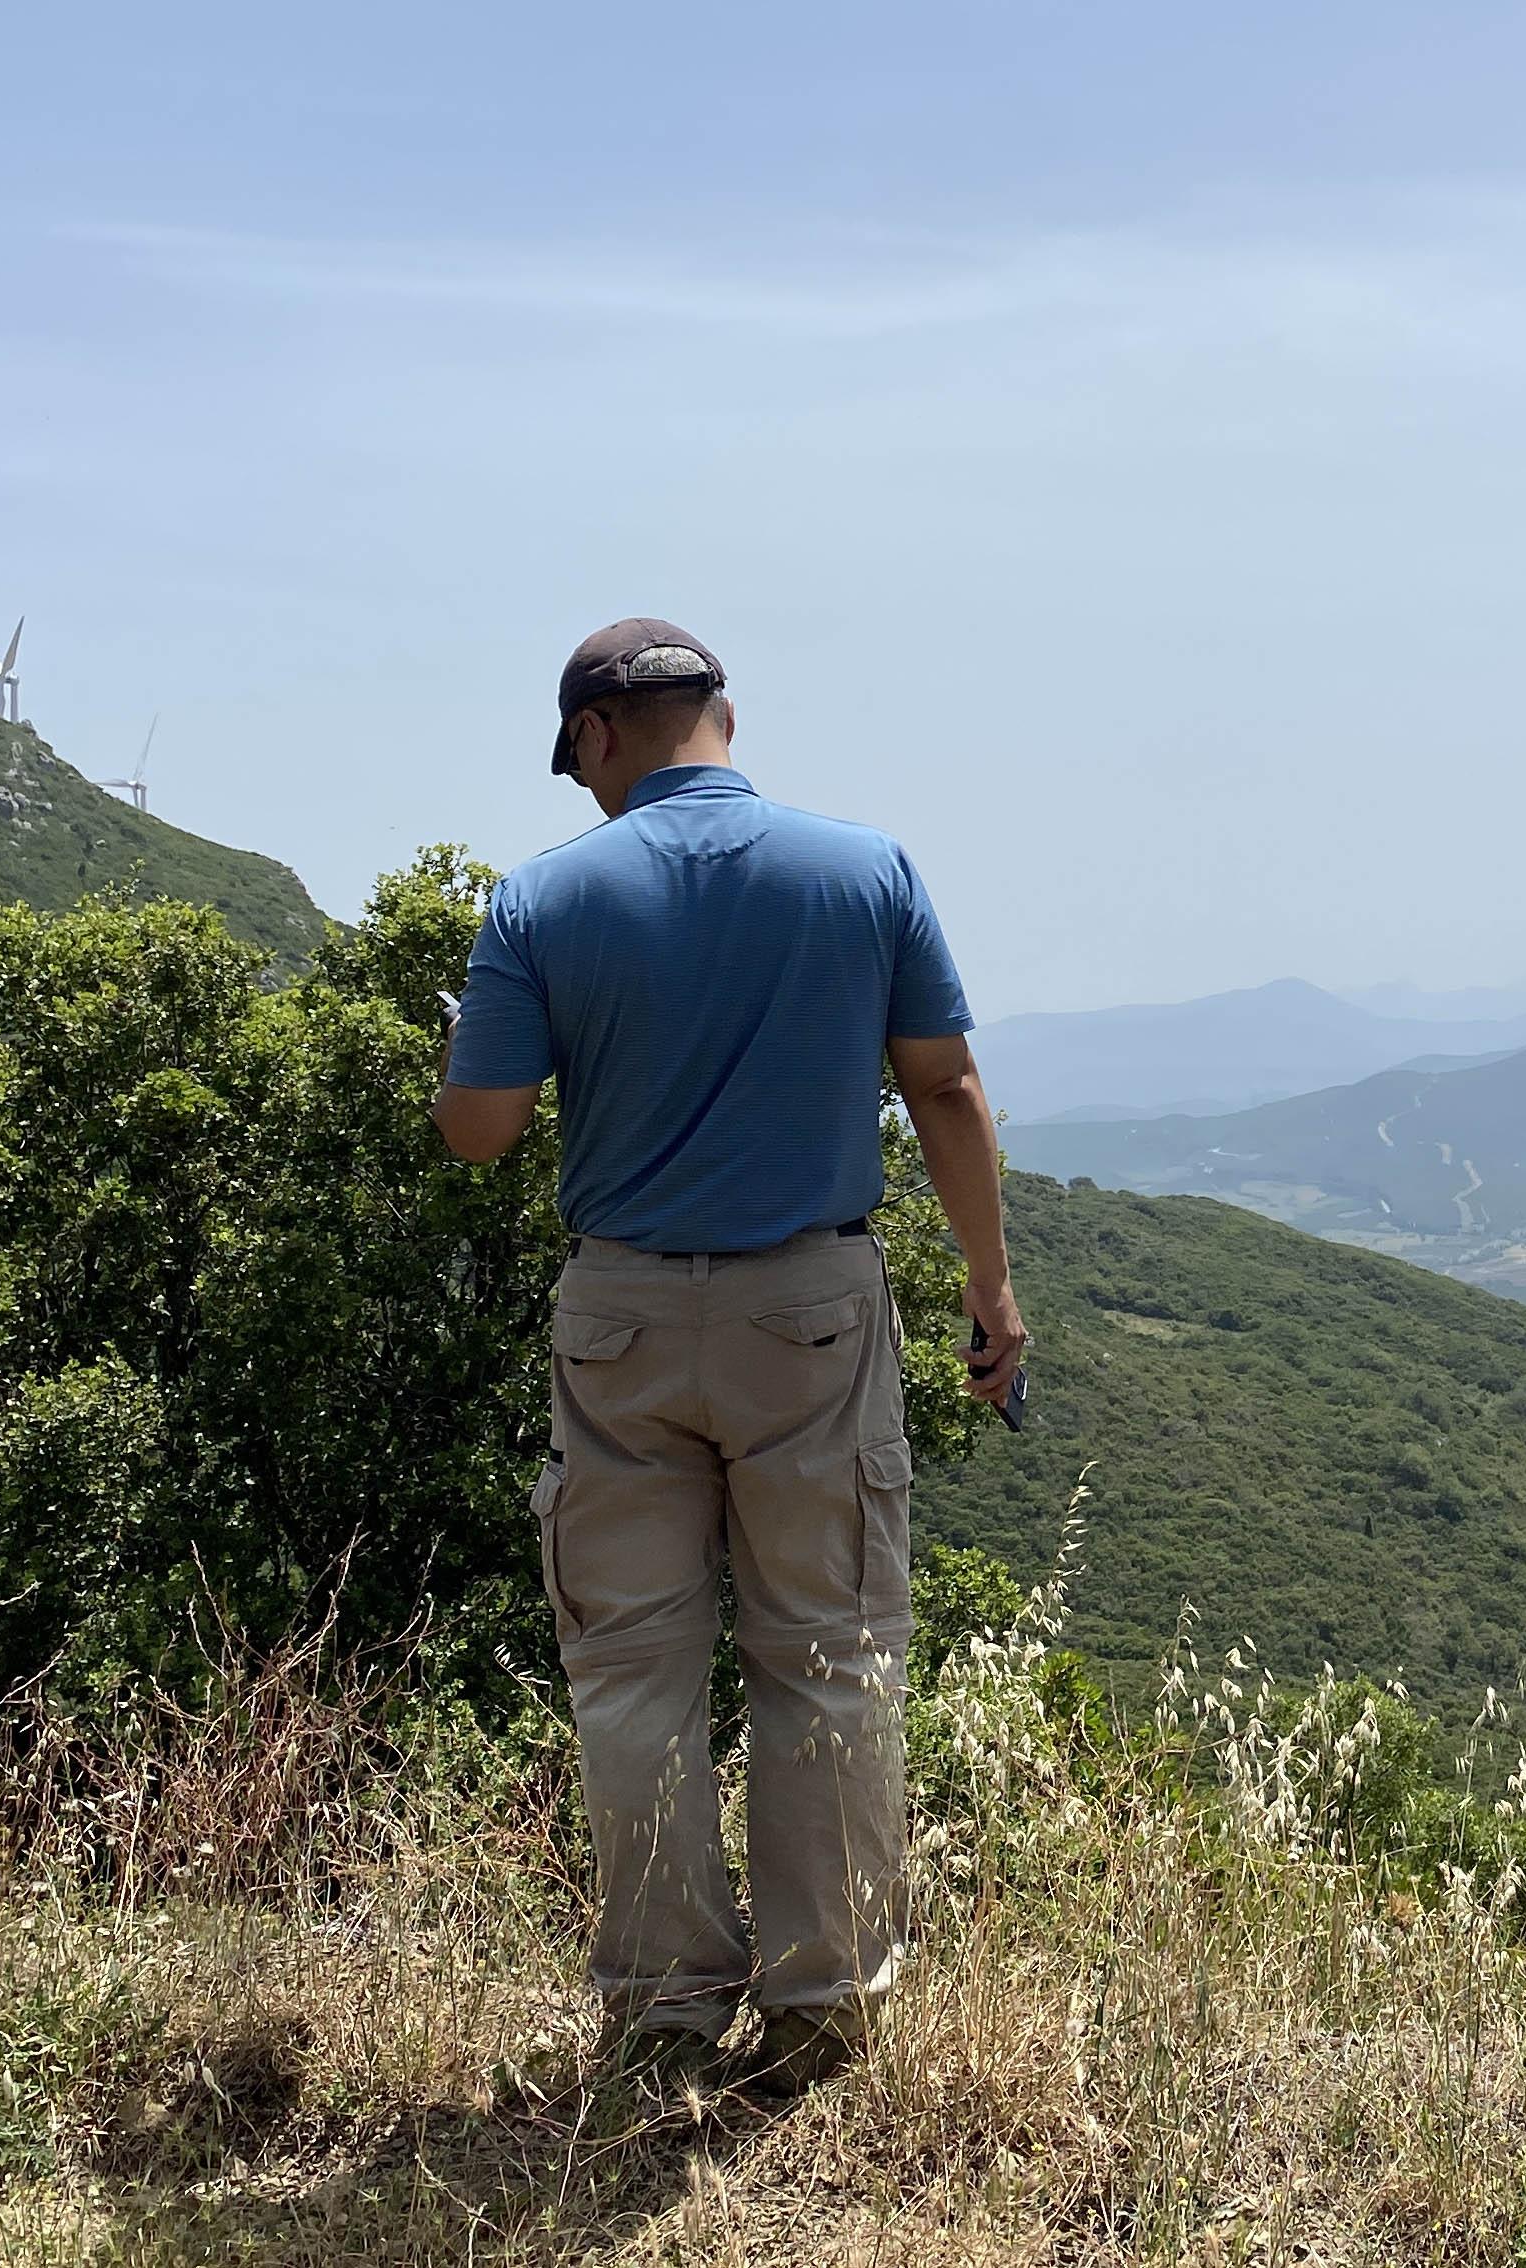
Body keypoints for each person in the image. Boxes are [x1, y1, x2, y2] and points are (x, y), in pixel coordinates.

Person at [433, 617, 1025, 2105]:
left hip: (622, 1315)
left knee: (634, 1674)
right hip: (811, 1312)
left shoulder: (539, 900)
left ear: (596, 738)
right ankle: (824, 2011)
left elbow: (483, 1130)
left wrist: (467, 1057)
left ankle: (663, 2018)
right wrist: (991, 1293)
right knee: (826, 1657)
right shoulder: (864, 870)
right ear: (727, 718)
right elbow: (945, 1086)